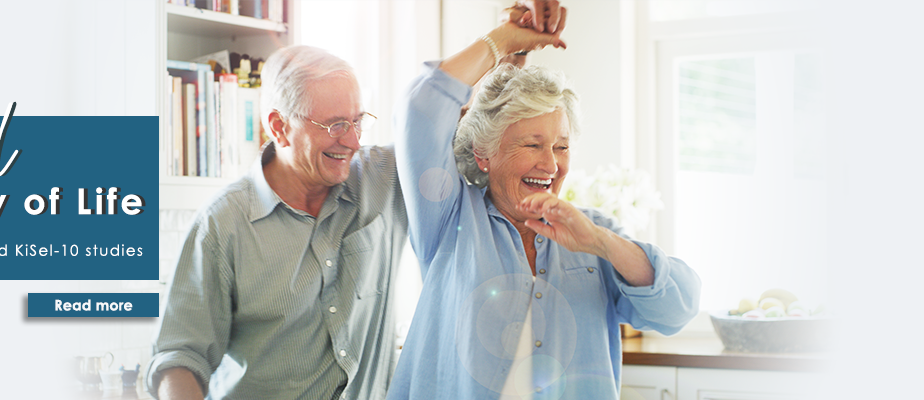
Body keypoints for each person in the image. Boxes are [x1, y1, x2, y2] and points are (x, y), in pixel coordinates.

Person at [387, 6, 702, 399]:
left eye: (561, 146)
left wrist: (601, 243)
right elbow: (421, 110)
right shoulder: (450, 219)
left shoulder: (592, 233)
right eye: (532, 145)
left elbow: (678, 308)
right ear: (484, 154)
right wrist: (501, 41)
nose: (552, 164)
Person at [146, 46, 407, 400]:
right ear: (279, 127)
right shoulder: (224, 223)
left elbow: (443, 121)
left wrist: (501, 48)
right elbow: (179, 357)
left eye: (357, 120)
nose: (352, 140)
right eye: (335, 125)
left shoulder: (383, 178)